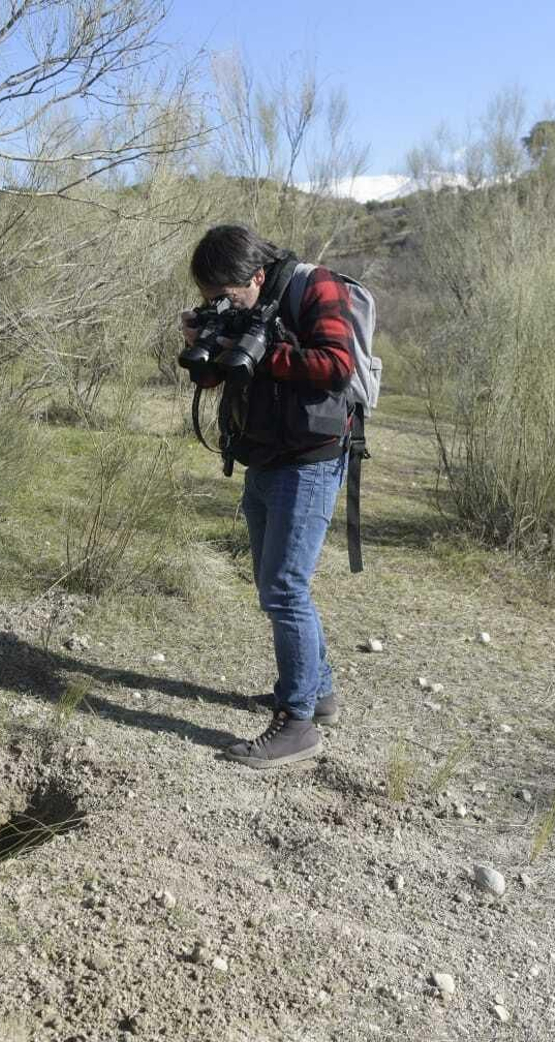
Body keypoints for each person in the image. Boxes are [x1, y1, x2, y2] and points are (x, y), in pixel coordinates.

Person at [179, 224, 356, 769]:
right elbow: (215, 380)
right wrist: (205, 344)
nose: (219, 304)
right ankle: (317, 693)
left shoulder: (316, 286)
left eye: (225, 296)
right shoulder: (234, 302)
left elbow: (337, 365)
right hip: (262, 457)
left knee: (283, 589)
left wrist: (263, 350)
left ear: (256, 276)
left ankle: (297, 725)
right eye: (209, 297)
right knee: (273, 582)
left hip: (309, 461)